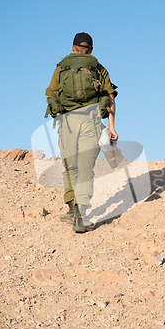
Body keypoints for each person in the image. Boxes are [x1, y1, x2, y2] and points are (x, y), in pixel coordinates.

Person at [45, 32, 118, 233]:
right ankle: (82, 214)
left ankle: (71, 209)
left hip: (67, 122)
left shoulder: (61, 67)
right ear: (91, 50)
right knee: (86, 166)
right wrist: (111, 127)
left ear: (72, 47)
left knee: (71, 165)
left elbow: (49, 95)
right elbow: (110, 98)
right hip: (91, 122)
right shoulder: (98, 68)